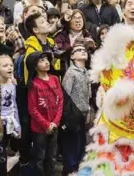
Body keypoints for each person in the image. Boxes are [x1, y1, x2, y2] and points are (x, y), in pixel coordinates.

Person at [26, 51, 64, 176]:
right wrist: (46, 125)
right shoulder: (34, 84)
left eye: (47, 59)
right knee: (39, 157)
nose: (47, 62)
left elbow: (60, 101)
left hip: (54, 125)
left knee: (52, 156)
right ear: (34, 66)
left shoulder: (55, 79)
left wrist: (55, 122)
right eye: (41, 60)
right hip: (39, 129)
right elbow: (33, 109)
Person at [61, 43, 91, 175]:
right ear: (72, 56)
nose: (83, 51)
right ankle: (69, 168)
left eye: (84, 49)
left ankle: (78, 167)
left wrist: (88, 109)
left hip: (83, 111)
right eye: (78, 50)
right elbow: (66, 93)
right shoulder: (71, 72)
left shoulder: (86, 72)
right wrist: (67, 114)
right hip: (73, 113)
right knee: (72, 142)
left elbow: (88, 93)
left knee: (81, 142)